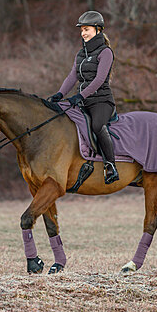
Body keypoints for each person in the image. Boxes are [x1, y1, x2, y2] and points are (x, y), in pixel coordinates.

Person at [47, 10, 119, 184]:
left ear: (98, 30)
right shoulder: (81, 54)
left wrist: (80, 95)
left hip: (101, 101)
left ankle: (110, 165)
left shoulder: (106, 52)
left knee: (97, 125)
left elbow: (100, 79)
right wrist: (60, 94)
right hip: (83, 100)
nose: (83, 33)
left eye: (86, 29)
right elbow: (72, 77)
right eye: (82, 30)